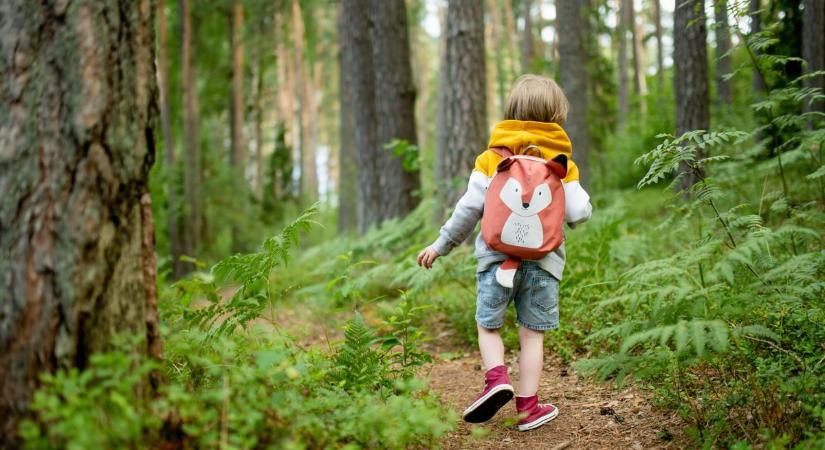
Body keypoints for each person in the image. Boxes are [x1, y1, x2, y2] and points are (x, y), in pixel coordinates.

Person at [417, 74, 592, 432]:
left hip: (495, 262)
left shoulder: (491, 159)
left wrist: (441, 245)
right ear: (556, 116)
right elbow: (578, 214)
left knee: (488, 325)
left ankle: (497, 378)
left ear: (512, 112)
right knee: (532, 334)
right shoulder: (562, 163)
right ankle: (528, 409)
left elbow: (468, 209)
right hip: (543, 265)